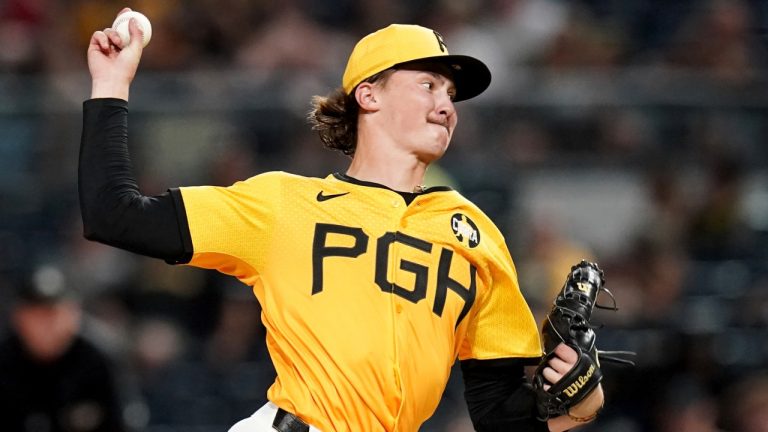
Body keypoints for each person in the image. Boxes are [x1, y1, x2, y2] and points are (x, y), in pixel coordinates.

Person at [80, 8, 604, 431]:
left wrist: (582, 402)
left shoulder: (475, 233)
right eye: (427, 84)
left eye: (450, 94)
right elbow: (114, 215)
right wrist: (110, 82)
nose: (446, 105)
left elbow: (501, 419)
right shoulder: (283, 204)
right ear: (368, 94)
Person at [0, 265, 125, 432]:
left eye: (54, 313)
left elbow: (122, 421)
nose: (46, 325)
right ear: (18, 317)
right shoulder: (4, 359)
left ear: (74, 314)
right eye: (37, 314)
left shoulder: (99, 359)